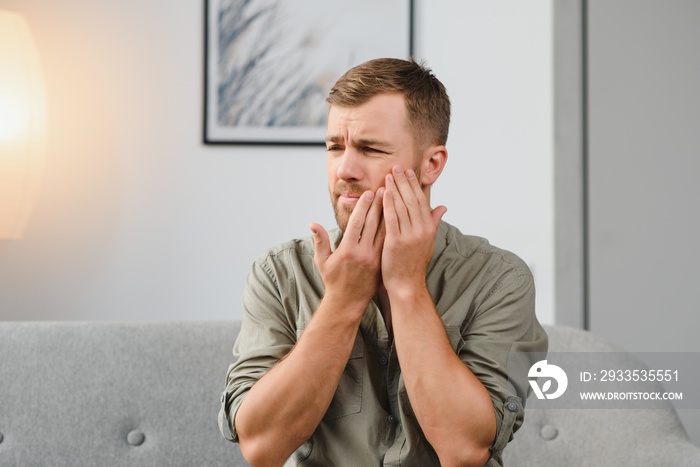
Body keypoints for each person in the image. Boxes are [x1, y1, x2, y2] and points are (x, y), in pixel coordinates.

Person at [219, 58, 547, 466]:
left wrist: (407, 287)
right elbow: (261, 447)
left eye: (370, 149)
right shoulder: (280, 274)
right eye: (335, 147)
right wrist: (342, 301)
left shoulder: (499, 280)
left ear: (431, 165)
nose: (345, 169)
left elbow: (464, 450)